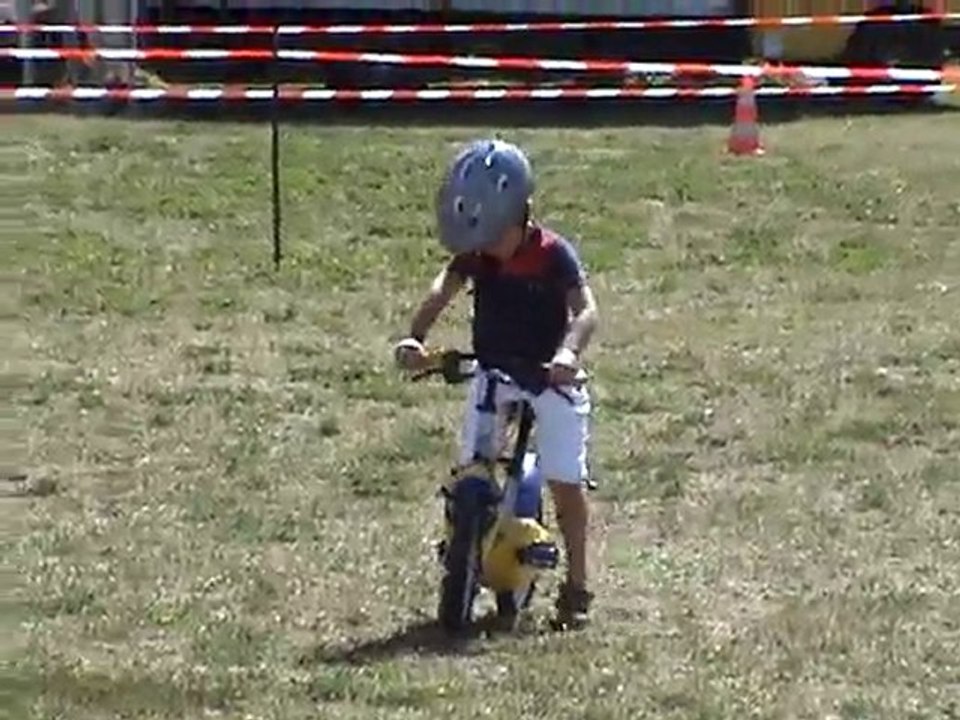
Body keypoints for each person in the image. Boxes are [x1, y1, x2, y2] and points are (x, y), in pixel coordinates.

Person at [393, 138, 600, 629]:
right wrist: (414, 336)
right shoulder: (477, 257)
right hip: (495, 368)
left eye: (492, 235)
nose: (484, 248)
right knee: (472, 466)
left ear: (521, 216)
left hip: (549, 374)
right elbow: (443, 288)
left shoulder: (553, 254)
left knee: (566, 480)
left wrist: (568, 353)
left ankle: (578, 584)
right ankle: (463, 543)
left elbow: (586, 310)